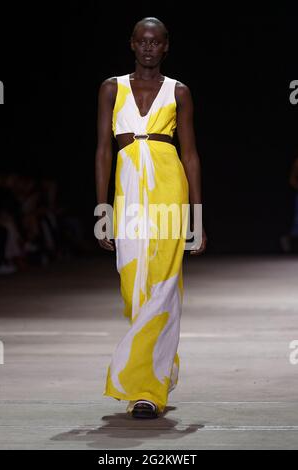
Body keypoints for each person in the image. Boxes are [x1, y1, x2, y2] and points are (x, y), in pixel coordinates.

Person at [95, 17, 207, 419]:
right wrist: (101, 208)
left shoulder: (179, 91)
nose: (148, 47)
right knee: (133, 286)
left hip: (169, 187)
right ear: (132, 44)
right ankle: (159, 366)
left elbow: (191, 154)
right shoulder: (112, 87)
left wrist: (196, 216)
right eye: (142, 41)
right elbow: (103, 151)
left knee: (162, 288)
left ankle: (146, 390)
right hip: (127, 193)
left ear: (165, 47)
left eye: (155, 42)